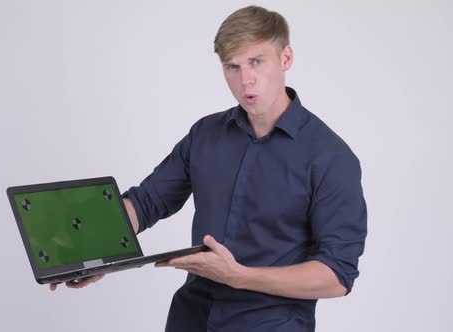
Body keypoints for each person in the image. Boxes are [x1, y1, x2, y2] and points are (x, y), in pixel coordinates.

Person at [50, 5, 367, 331]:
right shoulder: (205, 134)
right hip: (191, 318)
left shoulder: (330, 157)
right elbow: (147, 202)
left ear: (285, 58)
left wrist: (239, 277)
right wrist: (94, 251)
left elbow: (336, 275)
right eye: (232, 66)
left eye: (256, 61)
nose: (246, 80)